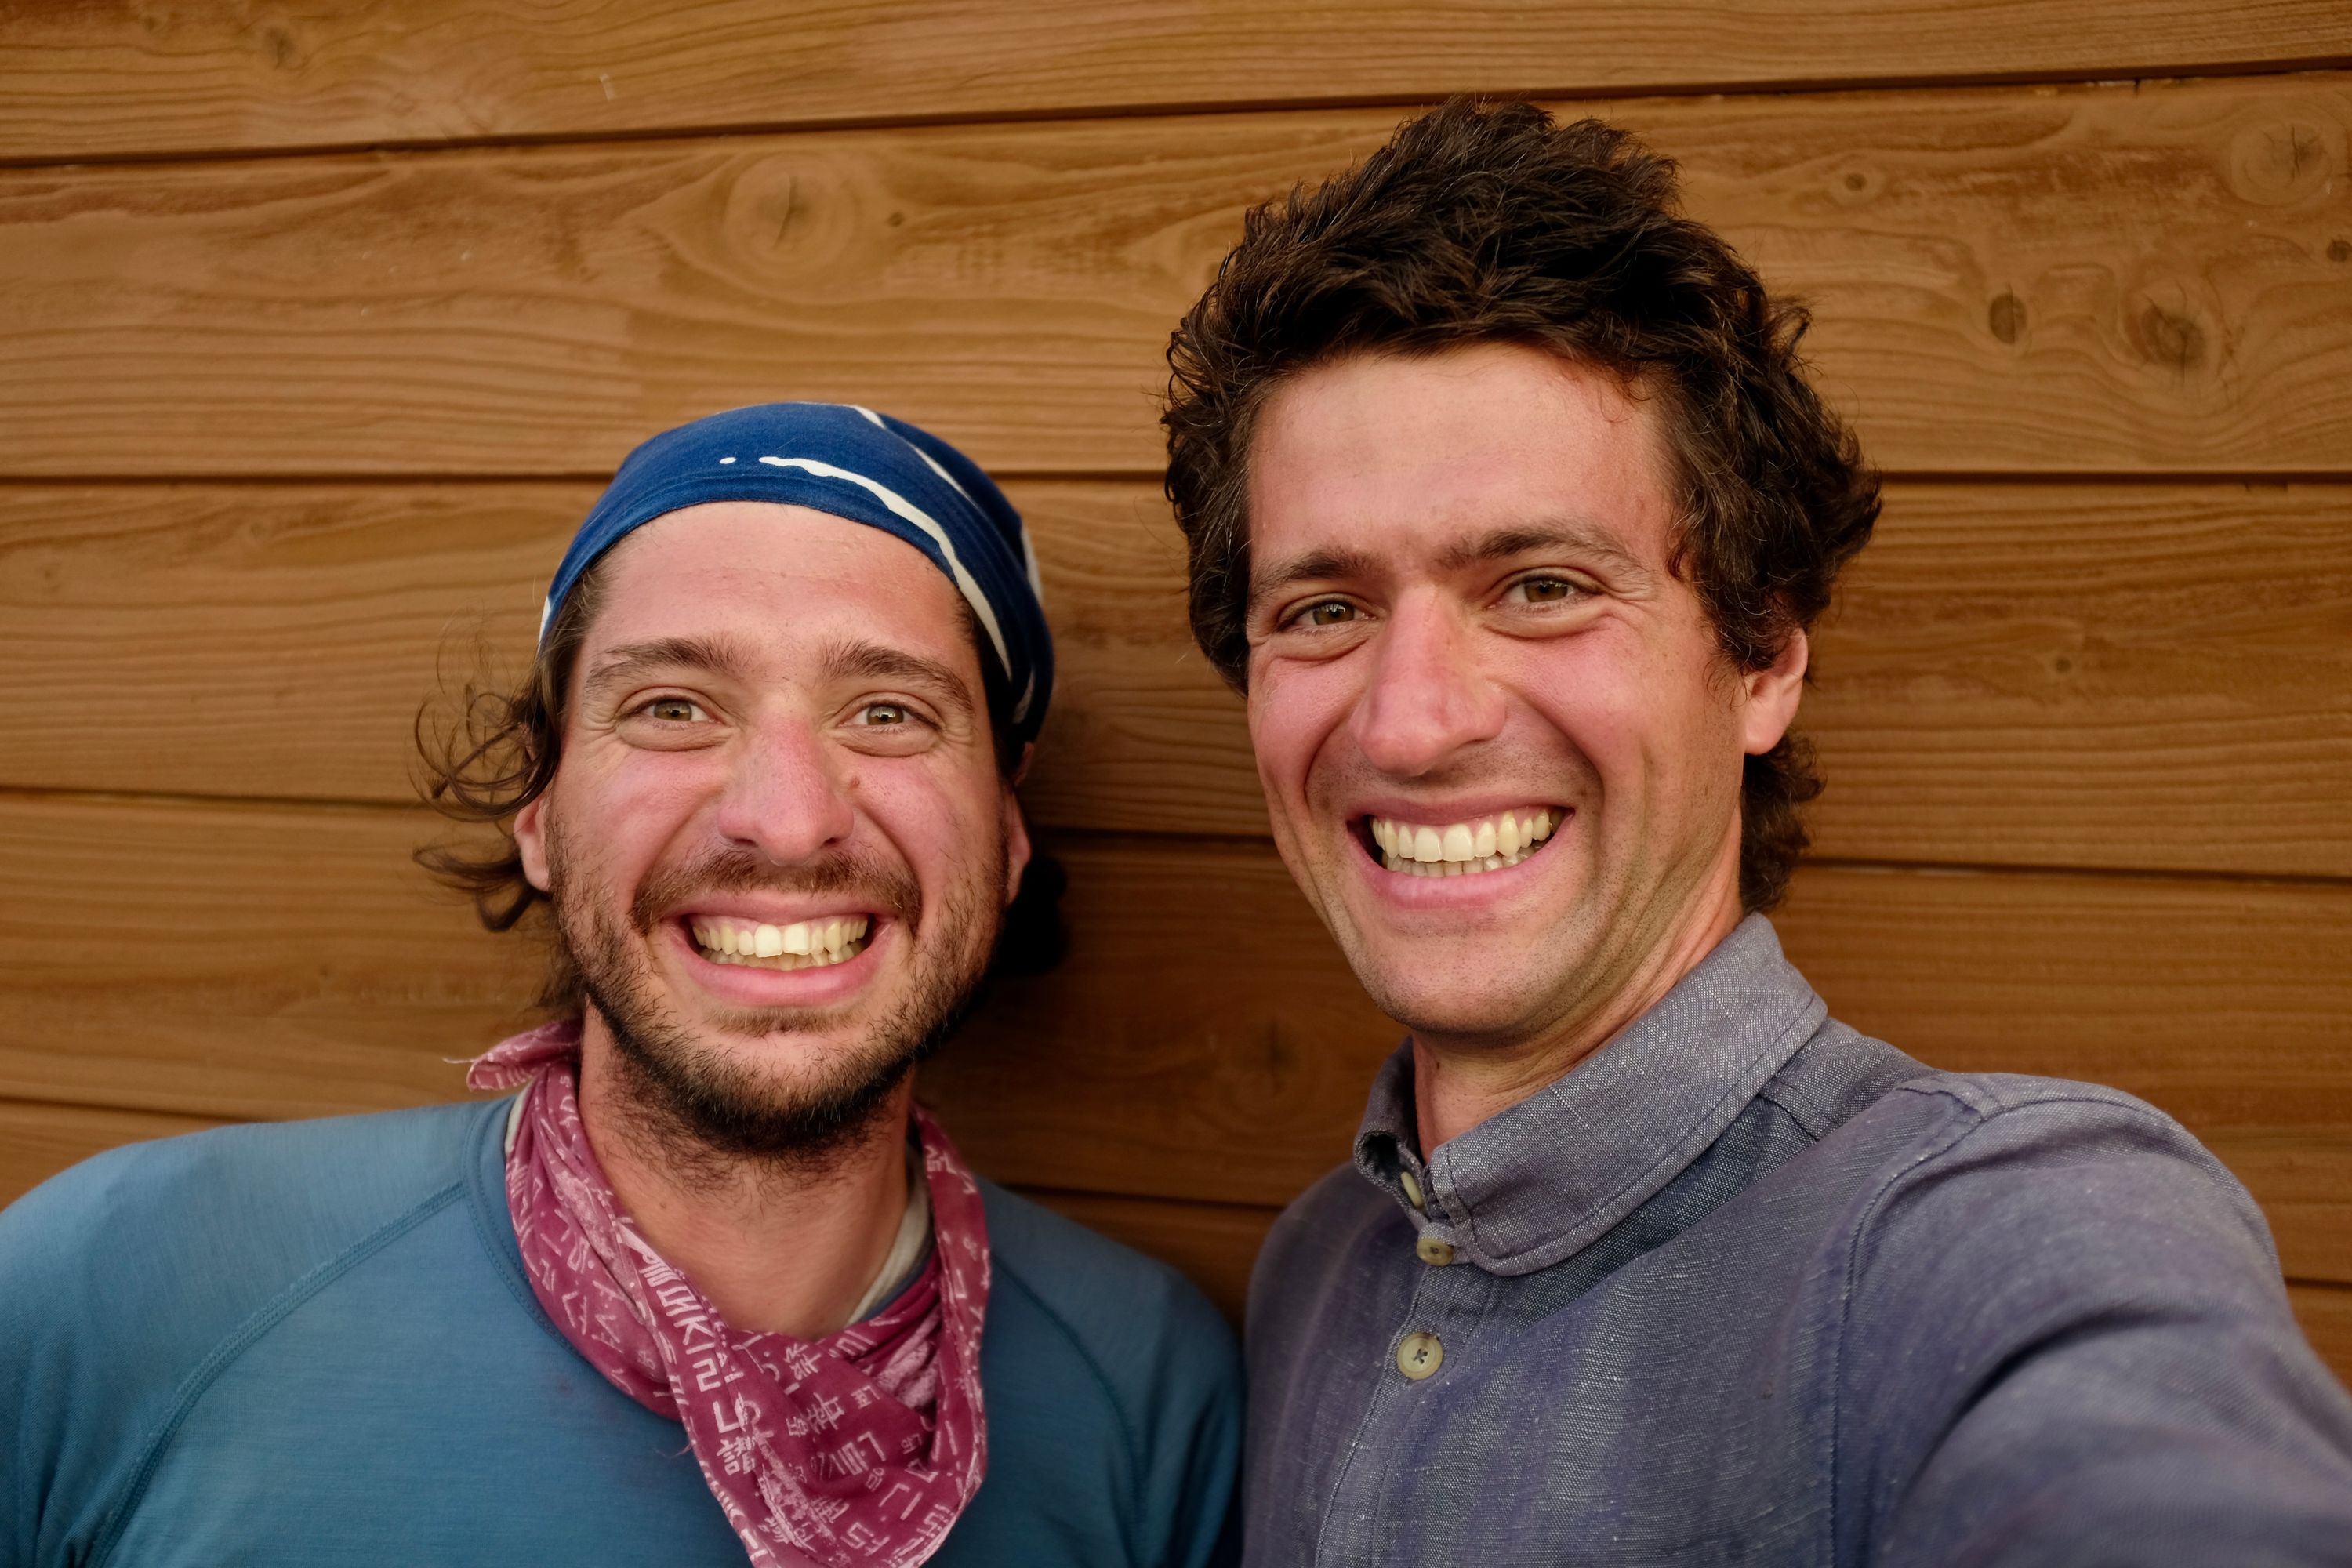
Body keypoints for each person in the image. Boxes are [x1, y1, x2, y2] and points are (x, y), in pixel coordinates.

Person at [1162, 100, 2352, 1564]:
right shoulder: (1318, 1276)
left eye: (1541, 585)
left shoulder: (1992, 1236)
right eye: (1325, 611)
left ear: (1763, 658)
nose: (1411, 725)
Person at [0, 403, 1240, 1568]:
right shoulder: (127, 1288)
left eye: (886, 711)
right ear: (541, 816)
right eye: (672, 705)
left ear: (1008, 832)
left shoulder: (1147, 1391)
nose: (789, 820)